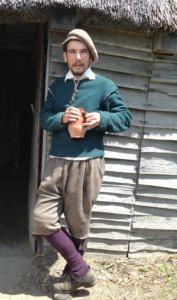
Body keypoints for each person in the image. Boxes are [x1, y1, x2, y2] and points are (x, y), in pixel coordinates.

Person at [32, 29, 132, 296]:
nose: (78, 57)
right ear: (64, 56)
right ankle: (82, 269)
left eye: (83, 51)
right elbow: (45, 119)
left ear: (91, 56)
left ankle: (72, 277)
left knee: (78, 223)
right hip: (57, 163)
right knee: (42, 219)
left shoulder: (104, 86)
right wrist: (61, 119)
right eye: (73, 52)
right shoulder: (57, 87)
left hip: (87, 164)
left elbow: (124, 118)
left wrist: (101, 119)